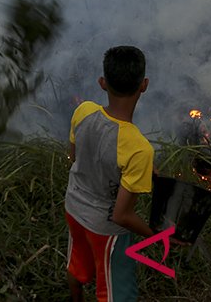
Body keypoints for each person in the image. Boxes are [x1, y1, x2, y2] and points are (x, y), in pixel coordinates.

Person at [64, 46, 155, 302]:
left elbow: (75, 156)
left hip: (73, 207)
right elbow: (121, 215)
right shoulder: (139, 149)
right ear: (144, 85)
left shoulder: (83, 111)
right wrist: (156, 235)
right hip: (106, 230)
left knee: (77, 264)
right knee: (116, 293)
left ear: (102, 83)